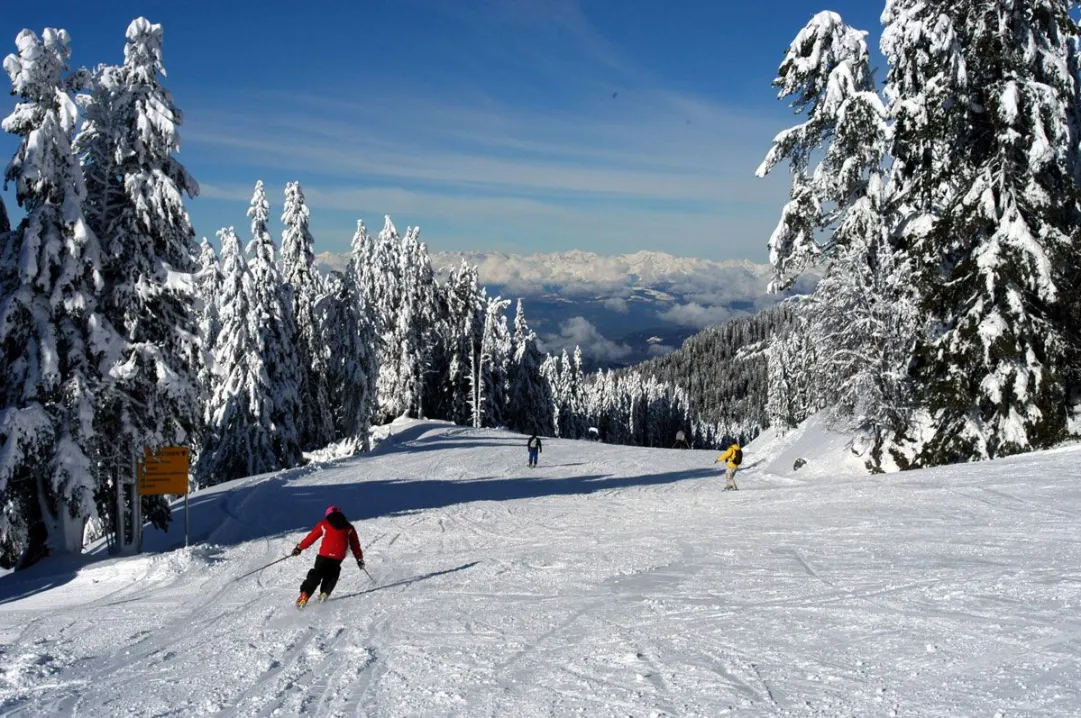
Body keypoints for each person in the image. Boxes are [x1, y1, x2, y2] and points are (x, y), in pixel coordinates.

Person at [292, 505, 365, 608]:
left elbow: (311, 537)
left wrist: (299, 548)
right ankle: (325, 592)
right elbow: (355, 545)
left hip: (324, 555)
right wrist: (359, 559)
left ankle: (306, 593)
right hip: (338, 557)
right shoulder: (349, 527)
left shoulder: (324, 524)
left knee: (317, 573)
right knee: (332, 575)